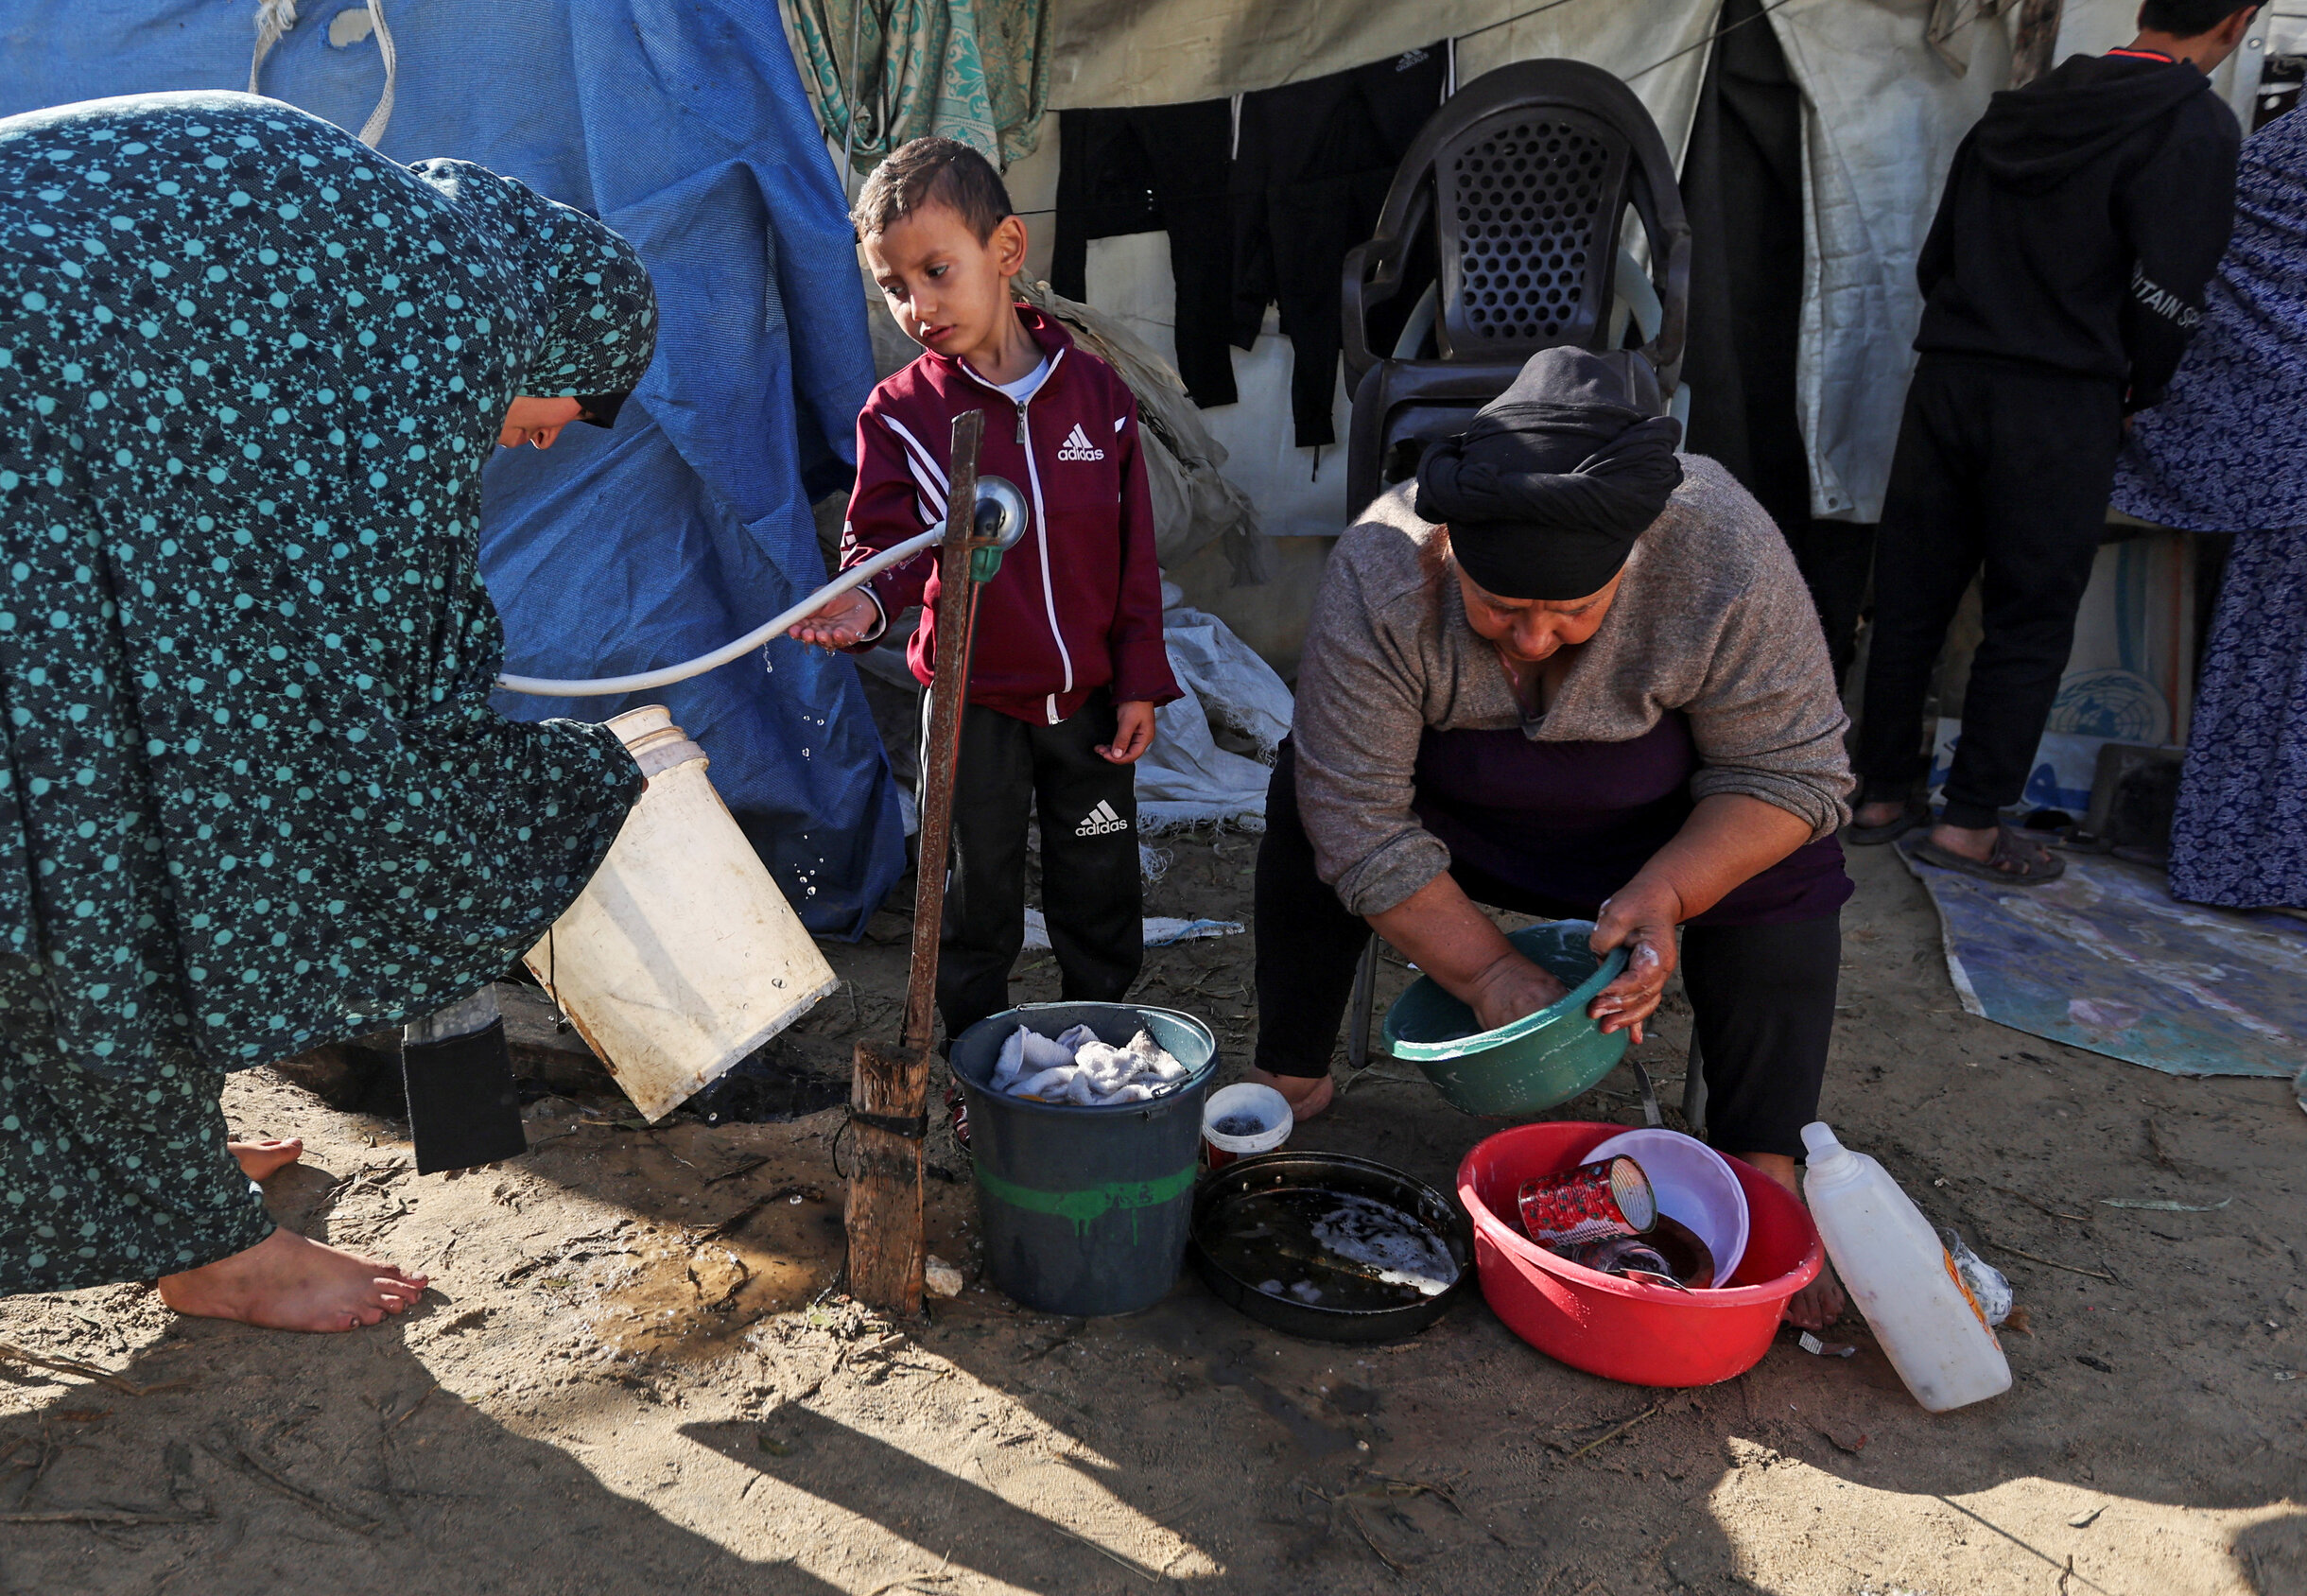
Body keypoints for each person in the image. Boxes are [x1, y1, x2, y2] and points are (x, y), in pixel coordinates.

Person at [0, 92, 655, 1333]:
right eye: (570, 419)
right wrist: (535, 796)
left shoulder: (361, 231)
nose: (536, 445)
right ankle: (208, 1248)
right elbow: (382, 648)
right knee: (98, 819)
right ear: (570, 343)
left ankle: (150, 1180)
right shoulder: (448, 299)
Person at [1252, 348, 1854, 1327]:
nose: (1533, 641)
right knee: (1302, 792)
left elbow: (1791, 772)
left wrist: (1668, 891)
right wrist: (1488, 973)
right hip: (1458, 820)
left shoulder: (1721, 543)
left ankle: (1762, 1158)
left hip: (1650, 827)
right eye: (1502, 610)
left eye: (1572, 613)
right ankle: (1289, 1071)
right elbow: (1356, 808)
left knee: (1793, 861)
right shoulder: (1384, 559)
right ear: (1450, 554)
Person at [789, 138, 1180, 1085]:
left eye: (935, 271)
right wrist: (862, 609)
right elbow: (879, 552)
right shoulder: (898, 415)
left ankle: (1106, 1048)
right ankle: (979, 1064)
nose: (917, 307)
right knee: (974, 892)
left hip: (1085, 709)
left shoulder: (1095, 397)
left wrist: (1139, 683)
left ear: (1006, 249)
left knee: (1096, 866)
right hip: (972, 710)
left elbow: (1133, 561)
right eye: (893, 287)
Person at [1848, 1, 2250, 881]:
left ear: (2144, 8)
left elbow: (1937, 254)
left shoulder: (2018, 103)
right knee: (2028, 617)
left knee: (1911, 595)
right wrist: (2139, 386)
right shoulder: (2194, 123)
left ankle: (1876, 793)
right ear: (2238, 23)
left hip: (1949, 379)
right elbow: (2171, 291)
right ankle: (1968, 828)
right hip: (2061, 398)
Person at [2113, 106, 2307, 909]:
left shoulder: (2281, 146)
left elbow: (2211, 231)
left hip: (2284, 455)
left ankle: (2248, 861)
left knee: (2273, 671)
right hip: (2290, 460)